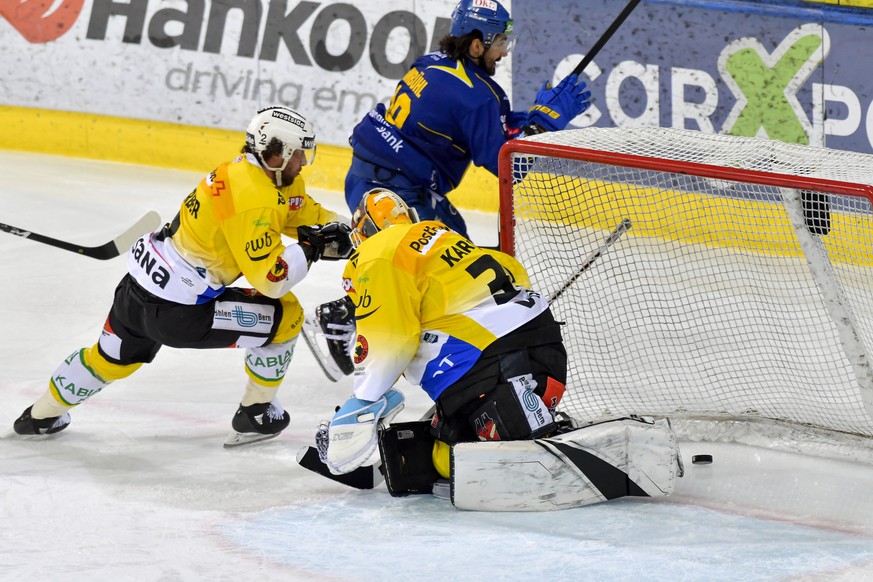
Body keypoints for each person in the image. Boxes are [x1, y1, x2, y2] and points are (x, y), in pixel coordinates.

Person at [13, 105, 354, 447]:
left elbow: (308, 215)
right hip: (183, 315)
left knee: (107, 359)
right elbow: (271, 280)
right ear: (276, 153)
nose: (304, 163)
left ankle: (40, 415)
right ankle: (256, 411)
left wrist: (355, 234)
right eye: (299, 155)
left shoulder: (246, 173)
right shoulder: (256, 198)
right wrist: (310, 250)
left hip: (134, 293)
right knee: (288, 315)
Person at [317, 188, 568, 482]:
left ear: (364, 232)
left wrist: (361, 404)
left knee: (498, 460)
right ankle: (531, 421)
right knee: (446, 459)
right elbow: (514, 271)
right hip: (535, 346)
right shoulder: (440, 233)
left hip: (495, 363)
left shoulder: (376, 253)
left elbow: (390, 339)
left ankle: (538, 431)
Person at [342, 0, 592, 239]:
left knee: (456, 237)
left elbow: (474, 122)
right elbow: (509, 166)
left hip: (361, 177)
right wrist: (543, 124)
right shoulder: (480, 97)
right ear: (476, 45)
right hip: (396, 196)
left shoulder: (430, 62)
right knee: (446, 272)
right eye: (500, 43)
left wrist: (533, 115)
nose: (503, 53)